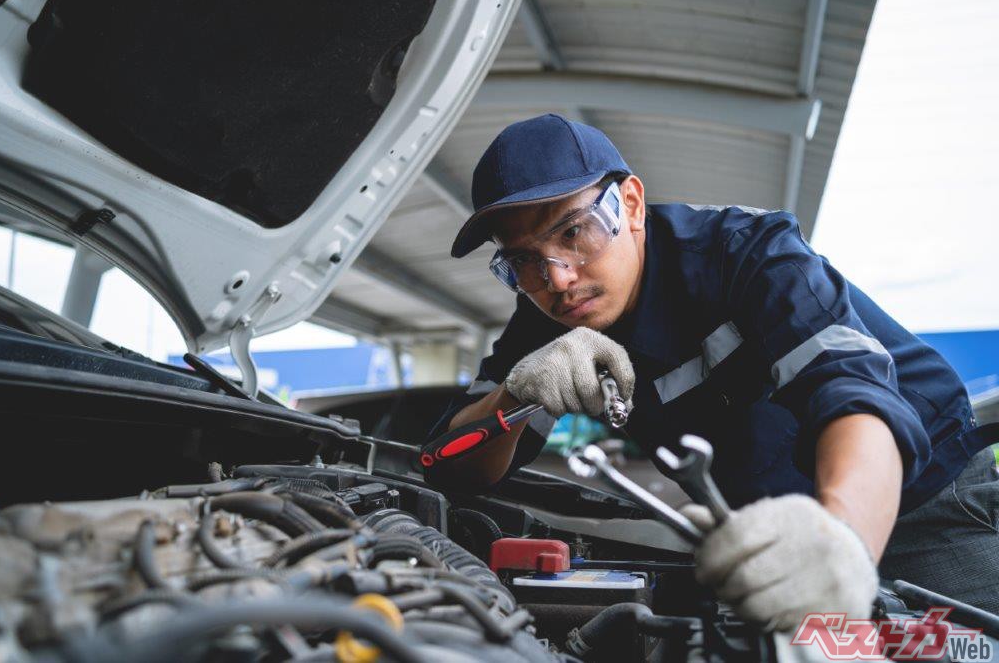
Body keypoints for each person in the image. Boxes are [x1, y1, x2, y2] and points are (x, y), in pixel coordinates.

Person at [426, 113, 999, 627]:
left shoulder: (747, 252)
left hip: (923, 505)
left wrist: (840, 540)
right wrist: (512, 397)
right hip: (768, 540)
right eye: (522, 259)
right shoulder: (545, 323)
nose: (557, 278)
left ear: (629, 204)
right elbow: (450, 467)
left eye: (573, 233)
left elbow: (853, 391)